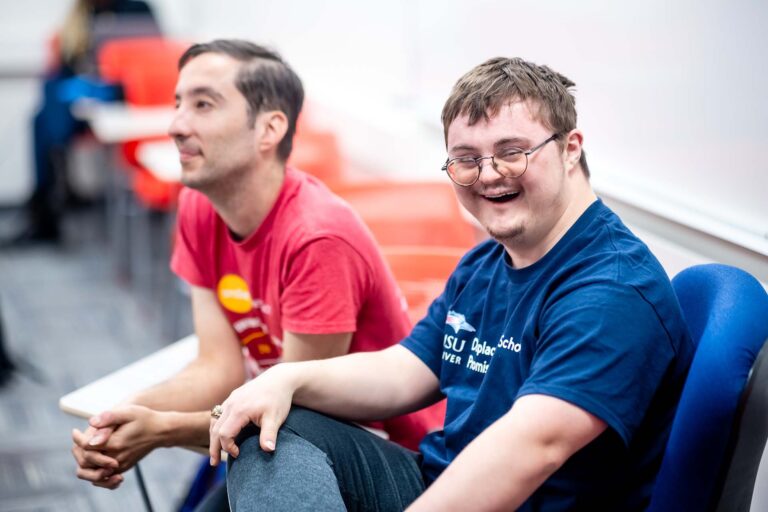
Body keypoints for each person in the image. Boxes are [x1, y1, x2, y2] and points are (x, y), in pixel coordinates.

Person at [209, 56, 696, 511]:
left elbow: (535, 448)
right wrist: (286, 379)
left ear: (570, 150)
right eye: (466, 159)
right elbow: (407, 369)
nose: (489, 175)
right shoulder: (489, 261)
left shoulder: (610, 290)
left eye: (512, 152)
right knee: (269, 425)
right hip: (438, 479)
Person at [69, 39, 437, 502]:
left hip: (374, 457)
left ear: (269, 129)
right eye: (178, 103)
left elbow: (295, 417)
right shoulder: (199, 209)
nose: (177, 125)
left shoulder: (318, 237)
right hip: (279, 438)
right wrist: (123, 417)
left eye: (204, 104)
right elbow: (217, 367)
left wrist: (160, 430)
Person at [6, 0, 157, 245]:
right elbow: (67, 66)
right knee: (45, 108)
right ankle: (48, 202)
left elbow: (153, 59)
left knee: (43, 121)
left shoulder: (137, 10)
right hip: (84, 105)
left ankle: (44, 208)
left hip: (122, 95)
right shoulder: (79, 15)